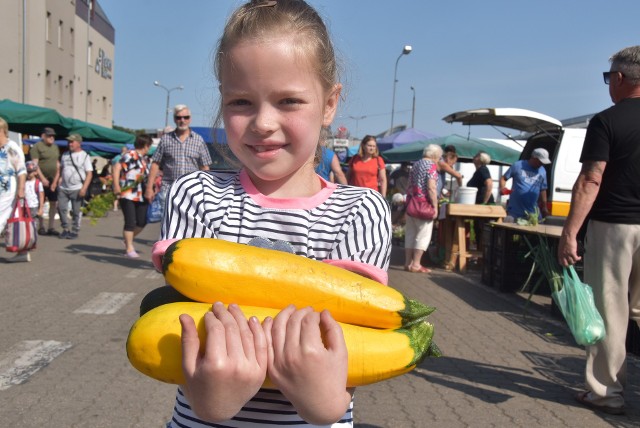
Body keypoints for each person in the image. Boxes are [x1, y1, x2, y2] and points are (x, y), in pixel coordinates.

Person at [151, 1, 391, 425]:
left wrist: (321, 399)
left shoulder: (360, 210)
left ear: (330, 103)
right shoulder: (198, 194)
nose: (263, 122)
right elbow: (184, 324)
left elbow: (352, 352)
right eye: (241, 101)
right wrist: (212, 401)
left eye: (288, 101)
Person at [557, 45, 640, 416]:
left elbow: (591, 179)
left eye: (610, 78)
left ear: (620, 79)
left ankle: (607, 392)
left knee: (611, 310)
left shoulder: (607, 121)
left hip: (615, 226)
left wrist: (570, 231)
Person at [144, 104, 212, 213]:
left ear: (190, 119)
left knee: (190, 227)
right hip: (169, 190)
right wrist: (149, 188)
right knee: (168, 226)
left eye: (186, 117)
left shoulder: (198, 140)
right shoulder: (166, 139)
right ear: (174, 119)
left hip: (192, 191)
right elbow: (155, 164)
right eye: (179, 117)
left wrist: (208, 192)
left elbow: (205, 167)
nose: (182, 120)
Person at [112, 135, 153, 258]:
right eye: (149, 146)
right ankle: (129, 248)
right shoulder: (130, 155)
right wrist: (116, 185)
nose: (149, 149)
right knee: (130, 221)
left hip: (141, 194)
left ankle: (127, 239)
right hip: (128, 193)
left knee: (142, 221)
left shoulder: (144, 159)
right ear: (145, 146)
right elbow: (116, 168)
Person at [404, 144, 441, 274]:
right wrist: (435, 206)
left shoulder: (415, 165)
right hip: (424, 206)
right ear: (435, 155)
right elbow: (431, 188)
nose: (439, 160)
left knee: (410, 234)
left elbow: (409, 186)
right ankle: (416, 264)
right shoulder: (431, 166)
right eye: (439, 157)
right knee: (422, 235)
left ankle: (407, 262)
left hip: (412, 205)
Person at [0, 116, 29, 262]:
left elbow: (21, 170)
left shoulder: (12, 148)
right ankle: (23, 253)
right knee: (12, 222)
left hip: (7, 191)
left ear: (2, 131)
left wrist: (21, 189)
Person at [499, 148, 550, 221]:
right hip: (515, 211)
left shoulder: (542, 170)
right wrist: (502, 188)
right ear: (533, 157)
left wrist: (544, 206)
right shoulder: (518, 165)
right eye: (540, 162)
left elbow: (543, 189)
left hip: (532, 211)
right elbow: (503, 178)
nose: (541, 164)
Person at [57, 134, 93, 239]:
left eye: (72, 142)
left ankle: (75, 230)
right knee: (61, 208)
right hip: (63, 187)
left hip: (77, 188)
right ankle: (65, 229)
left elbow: (89, 174)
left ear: (79, 143)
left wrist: (84, 188)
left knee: (76, 211)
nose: (70, 144)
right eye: (69, 142)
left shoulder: (84, 156)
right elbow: (61, 169)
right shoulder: (65, 155)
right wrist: (58, 181)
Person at [29, 127, 61, 236]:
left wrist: (55, 181)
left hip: (53, 180)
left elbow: (57, 165)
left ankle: (51, 227)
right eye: (49, 135)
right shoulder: (37, 147)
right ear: (43, 136)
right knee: (41, 203)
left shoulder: (55, 147)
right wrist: (42, 179)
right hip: (41, 179)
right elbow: (35, 165)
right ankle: (41, 226)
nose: (52, 137)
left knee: (53, 203)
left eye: (53, 136)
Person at [467, 151, 495, 249]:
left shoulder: (483, 169)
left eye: (476, 155)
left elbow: (489, 183)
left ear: (480, 158)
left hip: (483, 205)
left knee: (483, 230)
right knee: (479, 229)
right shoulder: (479, 170)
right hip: (479, 204)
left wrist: (484, 202)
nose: (473, 156)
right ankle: (481, 253)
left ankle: (483, 253)